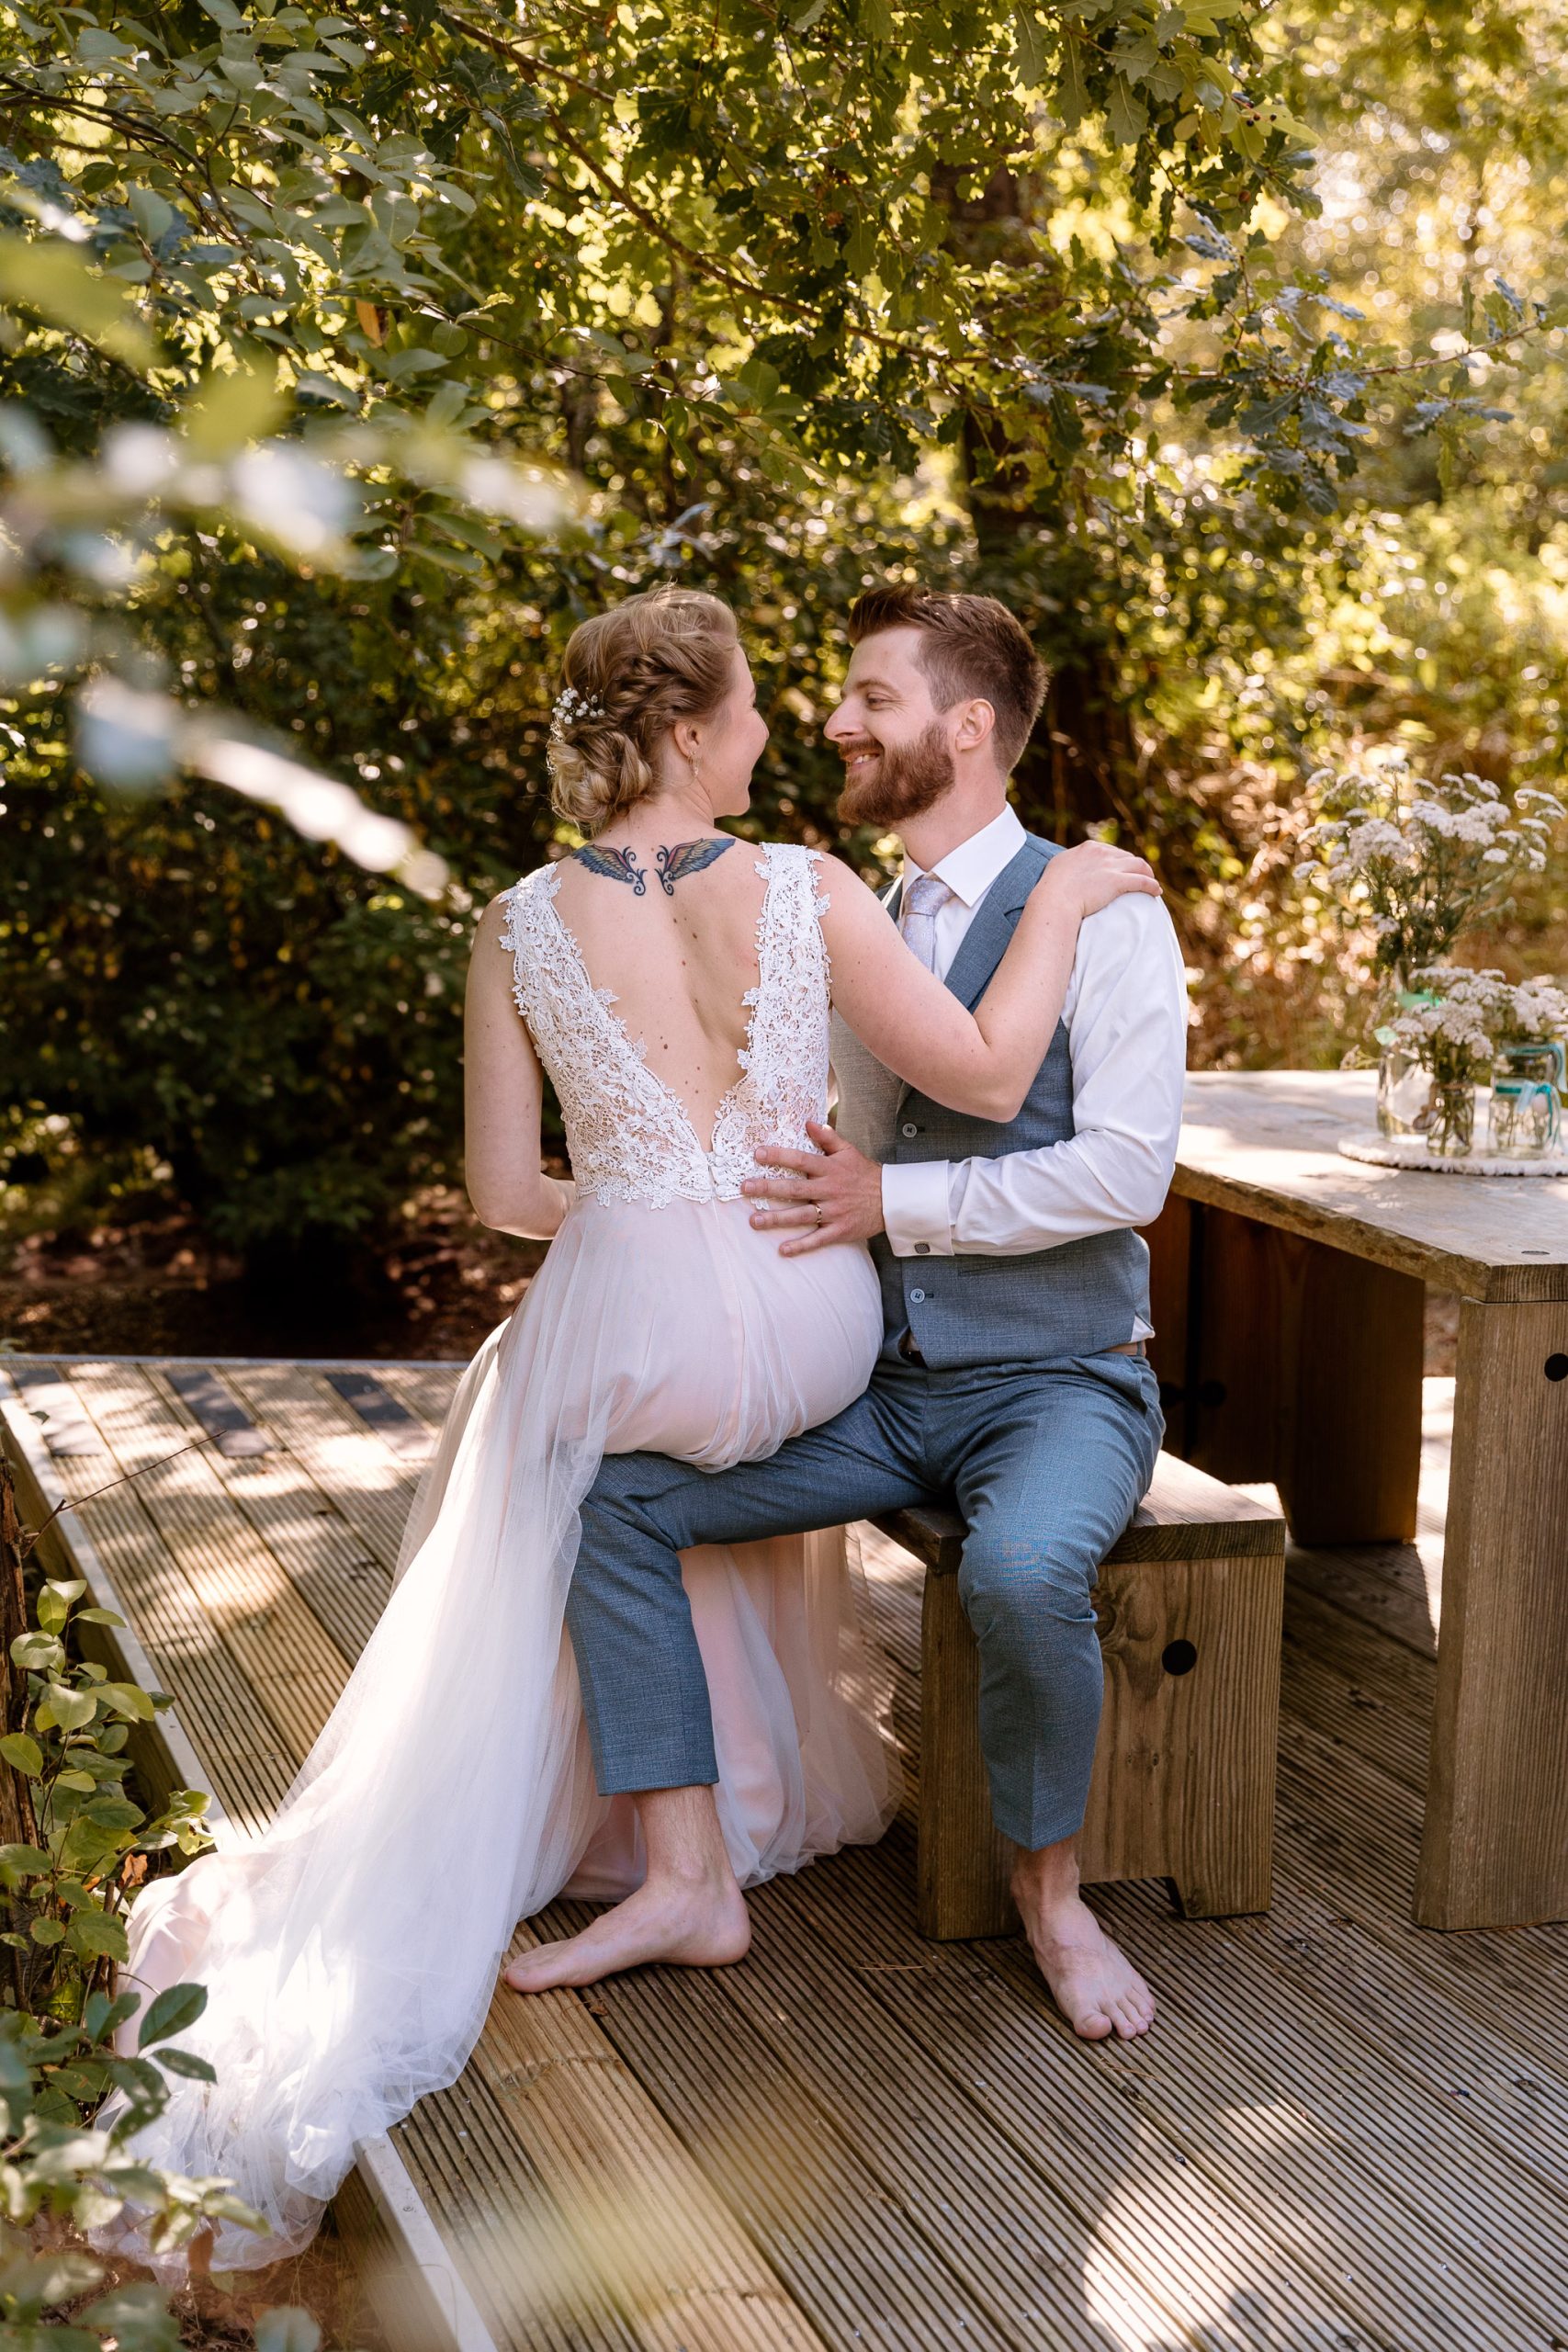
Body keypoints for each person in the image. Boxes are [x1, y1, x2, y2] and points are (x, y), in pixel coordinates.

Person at [96, 584, 1157, 2272]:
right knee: (623, 1454)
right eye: (746, 712)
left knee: (543, 1432)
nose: (771, 734)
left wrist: (644, 1204)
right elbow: (978, 1067)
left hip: (643, 1326)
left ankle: (670, 1859)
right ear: (684, 732)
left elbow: (510, 1195)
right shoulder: (811, 888)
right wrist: (1074, 894)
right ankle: (693, 1833)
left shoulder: (515, 921)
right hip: (813, 1325)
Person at [510, 584, 1189, 2046]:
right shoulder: (835, 910)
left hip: (1059, 1379)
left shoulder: (1108, 908)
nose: (833, 719)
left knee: (1014, 1576)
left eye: (872, 696)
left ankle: (1053, 1895)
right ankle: (684, 1877)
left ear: (967, 727)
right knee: (613, 1501)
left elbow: (1129, 1175)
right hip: (883, 1389)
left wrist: (897, 1208)